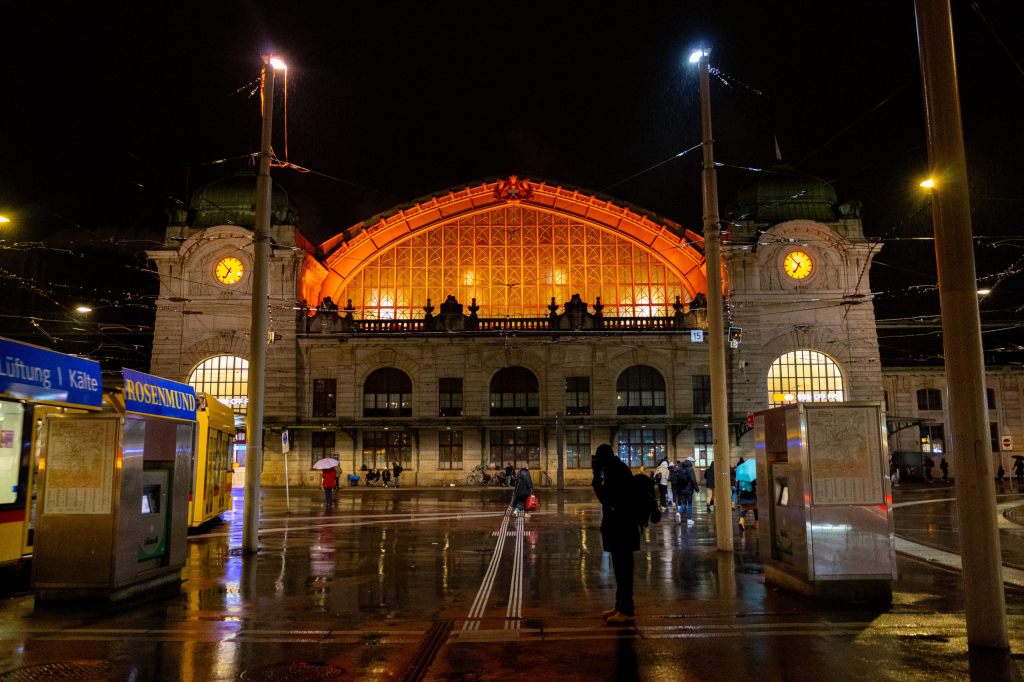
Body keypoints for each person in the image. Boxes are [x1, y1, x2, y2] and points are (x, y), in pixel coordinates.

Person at [592, 443, 659, 626]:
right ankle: (620, 606)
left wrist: (596, 477)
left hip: (622, 528)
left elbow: (606, 499)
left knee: (623, 571)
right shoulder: (617, 468)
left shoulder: (616, 472)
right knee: (620, 569)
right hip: (622, 528)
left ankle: (627, 610)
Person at [676, 457, 699, 526]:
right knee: (690, 504)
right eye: (693, 462)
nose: (693, 464)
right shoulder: (690, 469)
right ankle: (689, 519)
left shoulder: (681, 468)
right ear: (690, 462)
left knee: (684, 503)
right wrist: (696, 488)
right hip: (689, 489)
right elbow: (693, 480)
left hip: (682, 489)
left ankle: (679, 512)